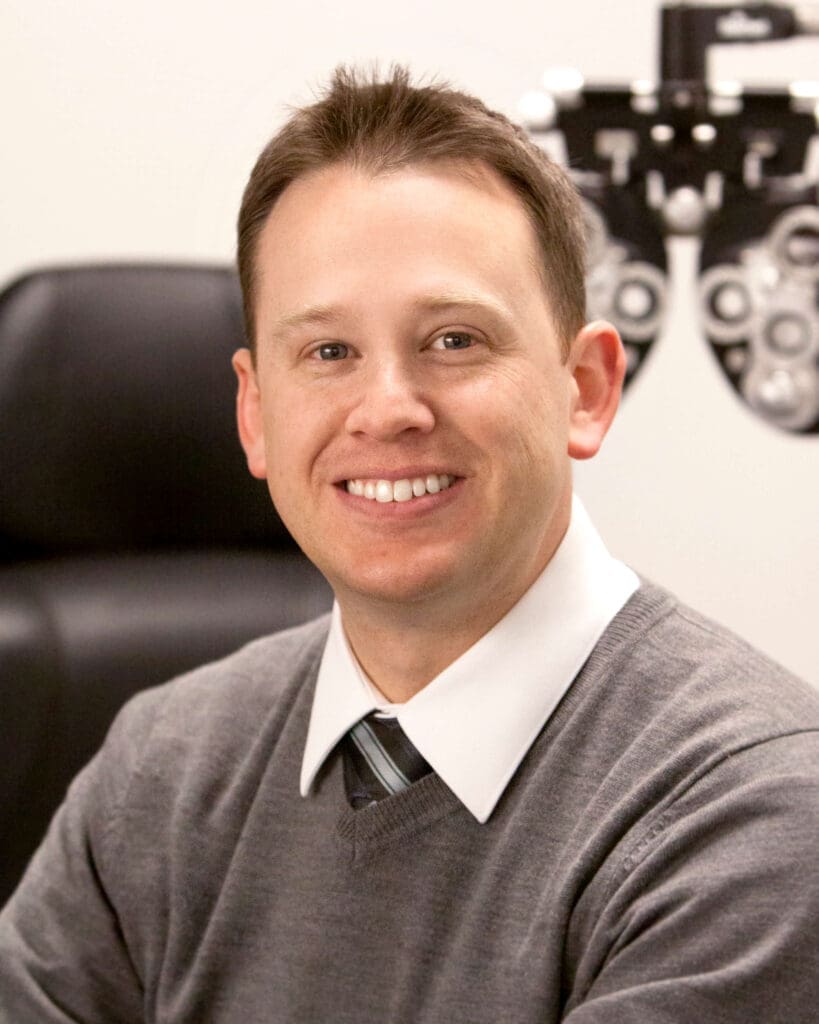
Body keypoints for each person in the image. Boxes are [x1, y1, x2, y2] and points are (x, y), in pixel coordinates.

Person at [1, 66, 817, 1023]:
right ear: (256, 413)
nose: (387, 410)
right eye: (328, 353)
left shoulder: (751, 815)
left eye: (455, 340)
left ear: (585, 388)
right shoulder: (158, 770)